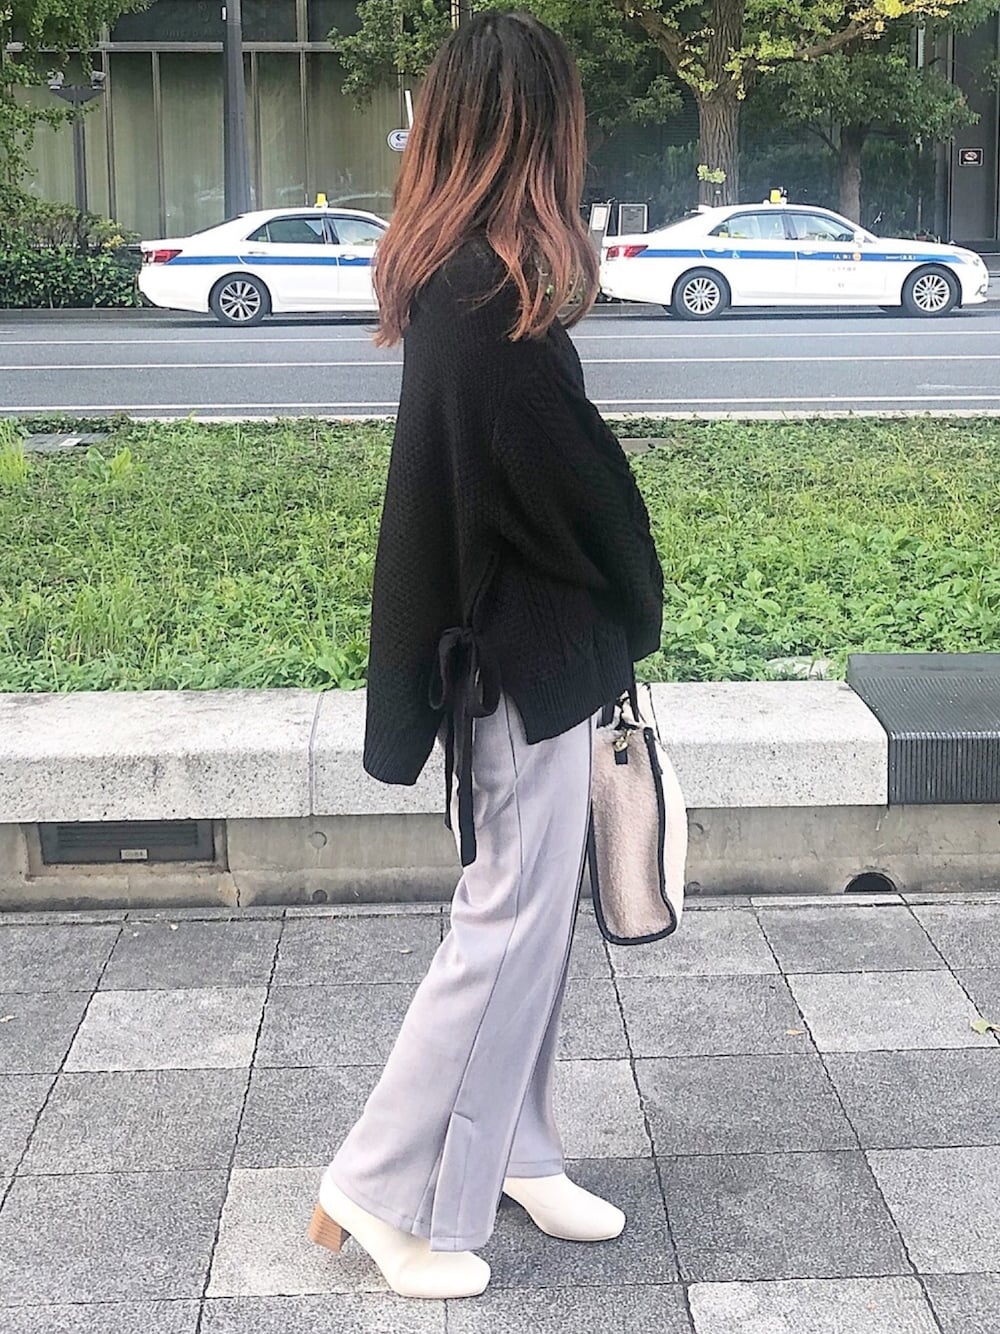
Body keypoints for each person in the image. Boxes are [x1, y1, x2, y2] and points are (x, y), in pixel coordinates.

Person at [307, 10, 664, 1301]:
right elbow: (571, 492)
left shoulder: (467, 277)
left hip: (527, 647)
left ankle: (516, 1146)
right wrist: (635, 592)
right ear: (532, 127)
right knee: (505, 920)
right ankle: (378, 1187)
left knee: (532, 919)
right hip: (514, 655)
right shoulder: (482, 294)